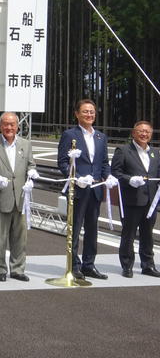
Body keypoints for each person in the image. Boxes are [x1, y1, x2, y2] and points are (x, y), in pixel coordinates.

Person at [57, 99, 117, 280]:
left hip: (96, 190)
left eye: (91, 111)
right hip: (78, 189)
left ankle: (89, 264)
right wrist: (75, 177)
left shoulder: (101, 137)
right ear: (76, 114)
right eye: (85, 111)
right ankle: (74, 265)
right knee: (74, 229)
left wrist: (108, 176)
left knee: (92, 229)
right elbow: (62, 162)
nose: (89, 114)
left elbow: (104, 162)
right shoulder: (70, 135)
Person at [0, 112, 37, 282]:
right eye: (5, 124)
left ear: (18, 126)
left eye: (12, 124)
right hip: (0, 197)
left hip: (21, 198)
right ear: (0, 126)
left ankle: (18, 269)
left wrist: (32, 173)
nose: (9, 127)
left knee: (20, 237)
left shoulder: (25, 145)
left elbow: (31, 164)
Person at [111, 121, 160, 278]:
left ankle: (148, 265)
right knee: (129, 234)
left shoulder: (155, 152)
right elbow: (115, 172)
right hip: (131, 200)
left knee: (147, 234)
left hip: (150, 201)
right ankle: (127, 265)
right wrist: (129, 179)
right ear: (133, 133)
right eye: (141, 131)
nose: (144, 134)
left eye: (147, 132)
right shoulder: (124, 151)